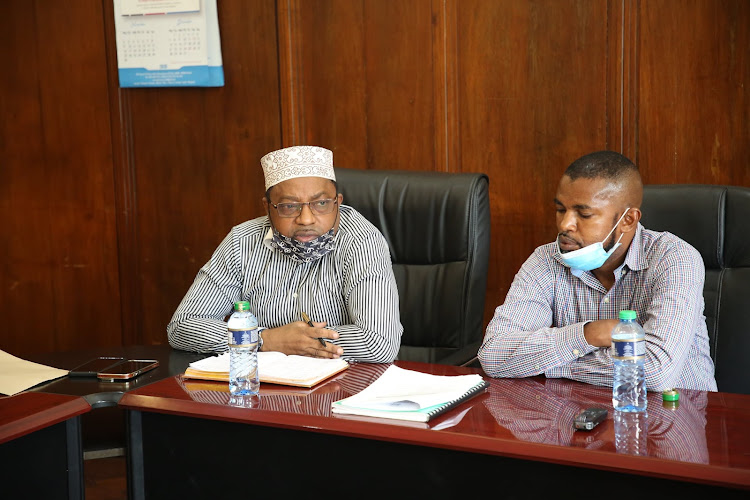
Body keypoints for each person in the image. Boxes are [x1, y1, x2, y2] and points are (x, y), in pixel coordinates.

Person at [478, 150, 717, 391]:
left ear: (628, 220)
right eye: (561, 210)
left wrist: (548, 362)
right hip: (581, 414)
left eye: (584, 214)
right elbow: (494, 355)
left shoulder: (675, 258)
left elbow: (656, 372)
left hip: (673, 416)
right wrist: (590, 333)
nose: (565, 225)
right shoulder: (545, 260)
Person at [168, 145, 403, 363]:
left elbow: (379, 342)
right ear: (268, 208)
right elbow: (183, 326)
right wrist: (264, 340)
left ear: (337, 203)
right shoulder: (242, 241)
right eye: (289, 206)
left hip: (340, 389)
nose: (306, 219)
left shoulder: (361, 240)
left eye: (321, 203)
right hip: (261, 389)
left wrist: (299, 343)